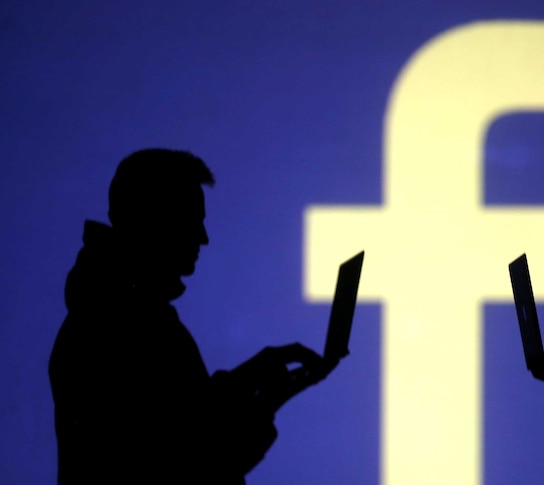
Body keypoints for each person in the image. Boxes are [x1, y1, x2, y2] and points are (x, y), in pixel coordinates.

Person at [49, 148, 333, 485]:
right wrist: (263, 402)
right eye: (192, 221)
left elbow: (181, 420)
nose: (204, 237)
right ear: (154, 221)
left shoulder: (117, 314)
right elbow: (191, 463)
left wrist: (247, 381)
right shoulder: (130, 326)